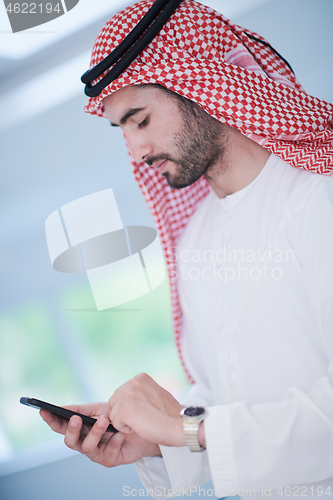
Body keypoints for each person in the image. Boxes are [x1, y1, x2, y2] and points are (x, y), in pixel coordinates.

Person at [40, 1, 333, 498]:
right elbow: (227, 397)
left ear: (203, 86)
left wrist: (183, 430)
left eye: (141, 120)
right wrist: (152, 443)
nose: (135, 151)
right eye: (123, 131)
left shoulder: (318, 198)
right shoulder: (196, 238)